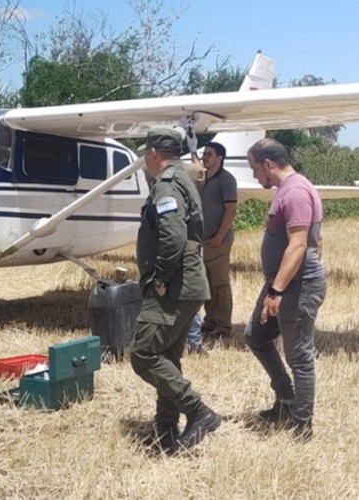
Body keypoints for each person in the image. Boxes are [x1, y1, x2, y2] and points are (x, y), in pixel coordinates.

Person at [130, 127, 220, 453]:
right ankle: (166, 432)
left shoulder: (167, 183)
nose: (144, 159)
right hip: (189, 283)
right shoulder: (182, 177)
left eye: (145, 153)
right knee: (167, 355)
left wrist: (161, 276)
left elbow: (172, 236)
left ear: (153, 152)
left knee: (142, 354)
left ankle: (198, 412)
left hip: (175, 285)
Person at [245, 138, 326, 441]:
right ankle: (286, 400)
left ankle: (302, 425)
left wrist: (276, 292)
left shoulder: (295, 192)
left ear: (269, 164)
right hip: (282, 283)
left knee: (299, 357)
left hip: (295, 287)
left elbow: (299, 244)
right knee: (256, 336)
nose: (255, 176)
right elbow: (317, 241)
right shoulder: (290, 190)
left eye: (255, 168)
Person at [199, 142, 237, 341]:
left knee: (220, 284)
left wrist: (219, 238)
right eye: (204, 154)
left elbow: (231, 210)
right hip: (204, 241)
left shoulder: (226, 180)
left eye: (209, 154)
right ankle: (210, 321)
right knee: (206, 284)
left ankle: (223, 326)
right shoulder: (203, 179)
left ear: (219, 158)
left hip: (218, 241)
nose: (205, 157)